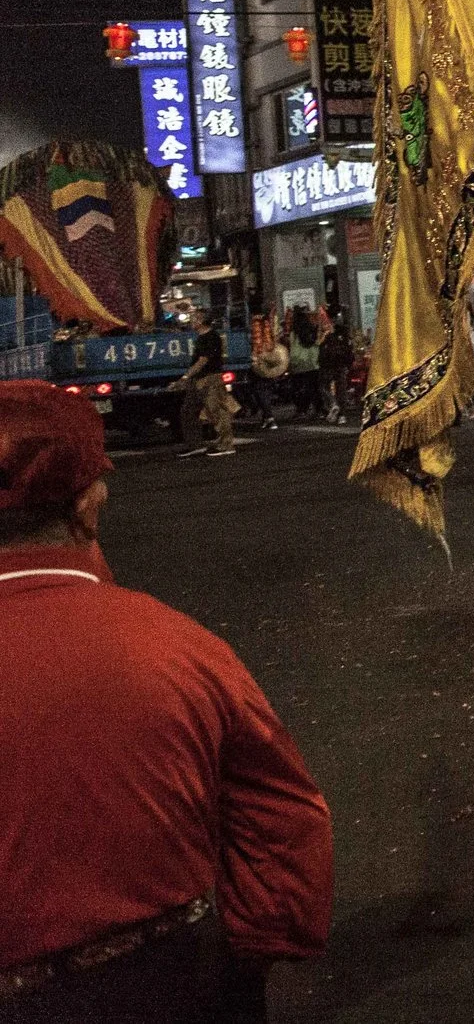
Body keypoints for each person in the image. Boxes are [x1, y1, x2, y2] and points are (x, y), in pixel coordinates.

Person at [0, 380, 331, 1019]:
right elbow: (279, 812)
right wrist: (256, 950)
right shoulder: (174, 646)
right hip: (164, 976)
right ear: (87, 507)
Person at [176, 305, 237, 459]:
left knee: (217, 411)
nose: (191, 321)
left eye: (195, 318)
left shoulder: (211, 337)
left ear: (202, 321)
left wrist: (185, 377)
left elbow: (203, 361)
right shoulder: (202, 338)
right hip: (199, 380)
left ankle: (226, 445)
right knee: (188, 412)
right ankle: (194, 445)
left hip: (211, 379)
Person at [318, 322, 357, 425]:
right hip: (341, 367)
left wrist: (322, 364)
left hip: (328, 367)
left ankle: (332, 403)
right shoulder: (347, 340)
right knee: (341, 391)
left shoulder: (329, 337)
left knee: (323, 387)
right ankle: (342, 415)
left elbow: (322, 351)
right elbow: (350, 355)